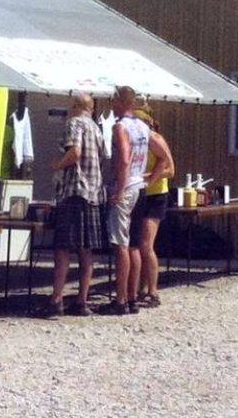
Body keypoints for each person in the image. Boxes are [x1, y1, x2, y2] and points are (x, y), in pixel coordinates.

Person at [35, 92, 107, 318]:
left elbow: (74, 152)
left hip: (74, 192)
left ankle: (56, 299)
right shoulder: (96, 129)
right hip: (93, 194)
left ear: (76, 106)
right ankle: (81, 301)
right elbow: (104, 157)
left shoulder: (74, 123)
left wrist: (57, 165)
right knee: (86, 250)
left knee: (63, 249)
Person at [98, 85, 150, 316]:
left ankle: (120, 300)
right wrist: (150, 177)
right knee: (134, 246)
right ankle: (132, 296)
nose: (111, 102)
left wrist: (118, 188)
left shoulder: (120, 126)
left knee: (120, 244)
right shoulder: (143, 126)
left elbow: (124, 157)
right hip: (139, 186)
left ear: (120, 102)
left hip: (126, 187)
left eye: (113, 99)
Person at [129, 108, 175, 308]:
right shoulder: (134, 141)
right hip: (138, 193)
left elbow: (171, 170)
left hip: (156, 194)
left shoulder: (155, 139)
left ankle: (153, 291)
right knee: (136, 243)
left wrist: (150, 177)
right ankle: (140, 286)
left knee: (147, 244)